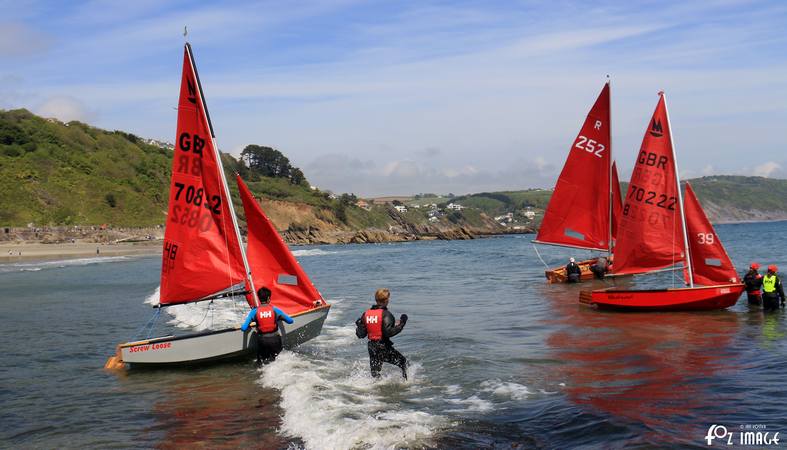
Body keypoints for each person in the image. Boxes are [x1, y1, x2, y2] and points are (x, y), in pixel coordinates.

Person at [356, 288, 408, 379]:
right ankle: (407, 383)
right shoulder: (386, 314)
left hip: (372, 347)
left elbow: (361, 334)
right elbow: (388, 332)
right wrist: (402, 323)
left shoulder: (366, 314)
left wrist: (359, 325)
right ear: (386, 300)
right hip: (383, 347)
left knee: (375, 373)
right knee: (403, 362)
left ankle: (375, 390)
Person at [241, 287, 294, 364]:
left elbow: (243, 328)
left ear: (259, 298)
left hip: (263, 341)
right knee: (277, 362)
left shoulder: (254, 312)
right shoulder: (275, 310)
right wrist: (278, 318)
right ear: (268, 298)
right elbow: (290, 321)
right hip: (275, 340)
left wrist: (252, 322)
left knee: (263, 364)